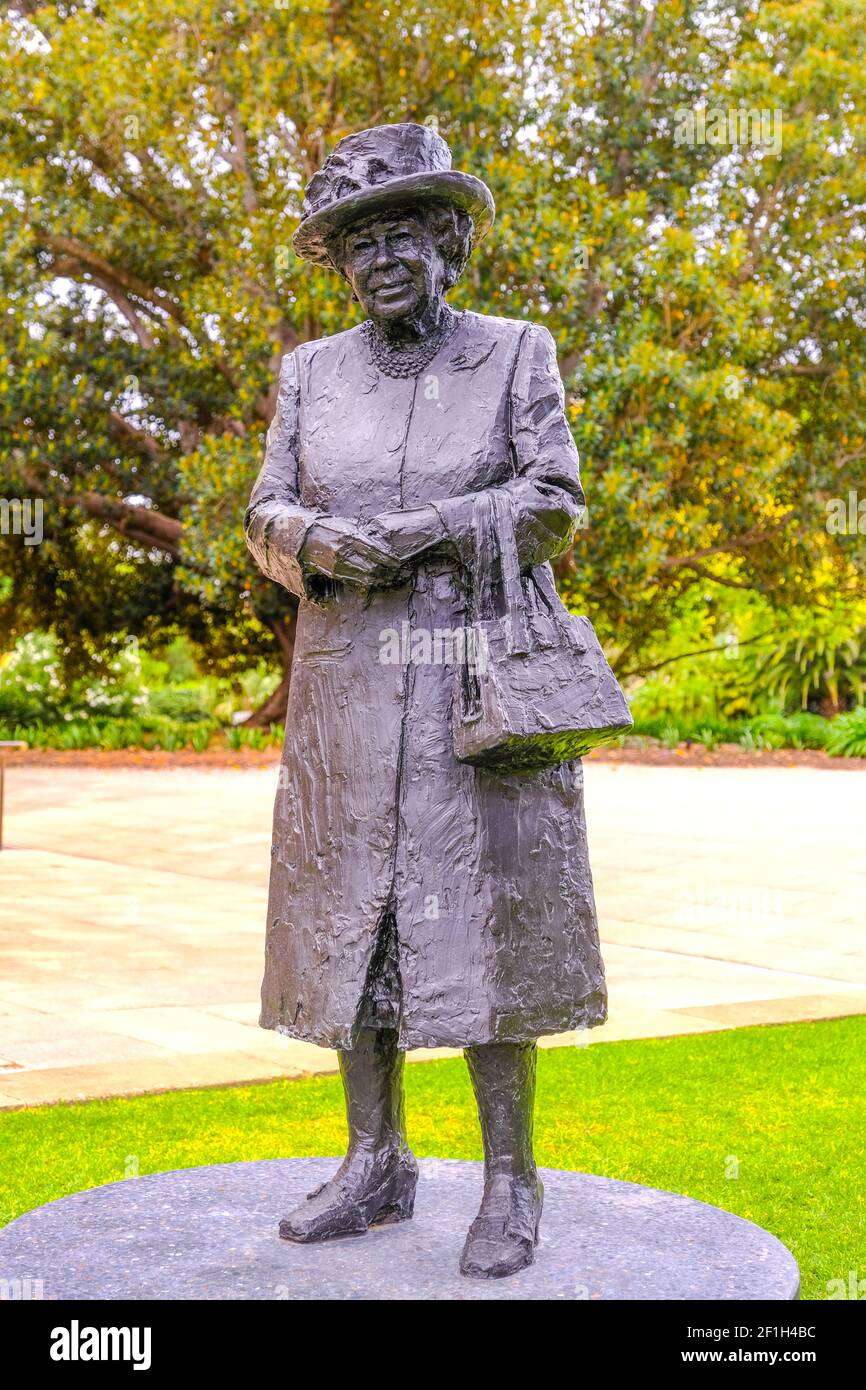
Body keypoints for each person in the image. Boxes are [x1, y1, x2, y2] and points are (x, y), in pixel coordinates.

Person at [246, 123, 607, 1279]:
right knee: (355, 925)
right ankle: (374, 1160)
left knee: (486, 920)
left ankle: (510, 1179)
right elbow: (261, 513)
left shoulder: (513, 353)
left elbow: (552, 499)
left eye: (406, 231)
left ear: (447, 244)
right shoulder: (309, 372)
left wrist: (430, 529)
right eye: (361, 240)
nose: (384, 256)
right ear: (341, 263)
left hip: (473, 687)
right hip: (344, 697)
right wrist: (308, 537)